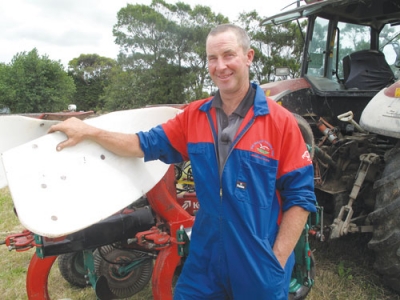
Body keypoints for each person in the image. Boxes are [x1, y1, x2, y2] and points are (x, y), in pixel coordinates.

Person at [49, 24, 316, 299]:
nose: (220, 66)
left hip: (257, 260)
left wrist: (277, 259)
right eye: (212, 58)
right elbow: (143, 144)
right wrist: (90, 132)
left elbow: (301, 196)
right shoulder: (194, 117)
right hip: (206, 256)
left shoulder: (279, 122)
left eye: (228, 55)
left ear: (248, 57)